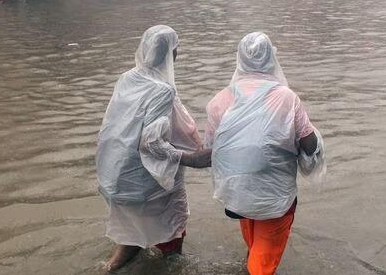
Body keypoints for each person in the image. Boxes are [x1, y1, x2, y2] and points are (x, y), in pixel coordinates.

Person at [205, 32, 325, 275]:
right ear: (272, 58)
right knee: (261, 267)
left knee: (254, 239)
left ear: (239, 60)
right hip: (275, 199)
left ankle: (253, 258)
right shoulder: (286, 98)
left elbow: (212, 150)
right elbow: (309, 144)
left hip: (236, 197)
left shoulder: (220, 100)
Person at [96, 25, 211, 272]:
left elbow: (113, 127)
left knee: (132, 230)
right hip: (148, 181)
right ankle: (170, 266)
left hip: (118, 175)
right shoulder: (162, 90)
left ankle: (111, 267)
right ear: (173, 54)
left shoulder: (127, 78)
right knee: (172, 228)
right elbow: (150, 141)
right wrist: (191, 158)